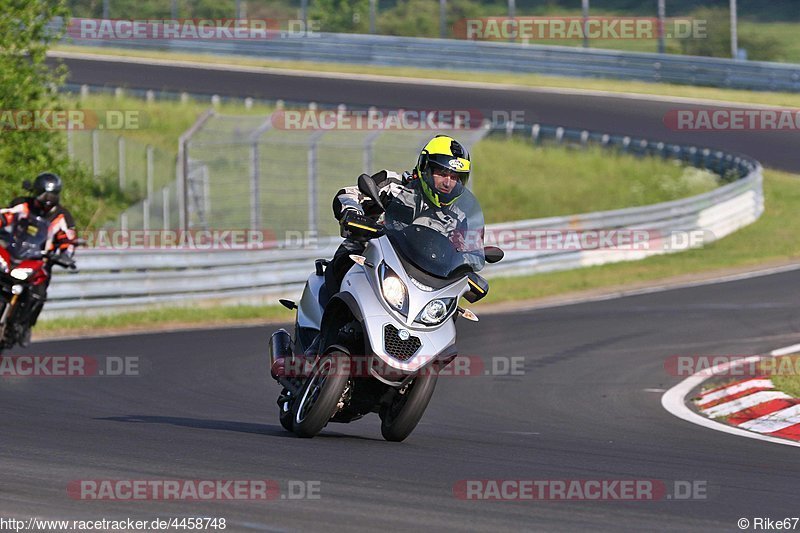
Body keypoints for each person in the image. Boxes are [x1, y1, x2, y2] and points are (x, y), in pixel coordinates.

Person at [321, 134, 472, 305]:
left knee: (448, 306)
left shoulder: (457, 218)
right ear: (426, 168)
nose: (448, 183)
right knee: (345, 267)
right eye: (442, 174)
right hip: (367, 256)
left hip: (417, 278)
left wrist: (467, 267)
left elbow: (460, 255)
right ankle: (331, 325)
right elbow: (348, 194)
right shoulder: (392, 184)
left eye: (455, 177)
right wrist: (352, 212)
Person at [0, 172, 77, 343]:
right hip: (14, 253)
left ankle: (24, 325)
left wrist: (65, 255)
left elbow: (69, 239)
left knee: (38, 293)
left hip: (39, 260)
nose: (47, 199)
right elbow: (5, 216)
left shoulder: (63, 216)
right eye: (43, 193)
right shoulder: (22, 205)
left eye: (52, 194)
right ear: (35, 191)